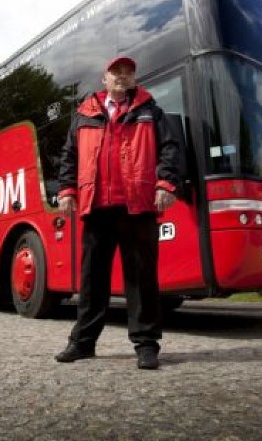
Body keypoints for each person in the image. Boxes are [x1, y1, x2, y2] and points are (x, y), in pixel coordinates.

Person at [54, 55, 181, 370]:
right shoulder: (84, 114)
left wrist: (165, 184)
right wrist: (67, 190)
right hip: (96, 206)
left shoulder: (151, 111)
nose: (122, 76)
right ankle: (82, 343)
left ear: (134, 79)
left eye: (128, 72)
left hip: (137, 206)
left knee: (141, 279)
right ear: (104, 78)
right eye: (116, 72)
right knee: (91, 278)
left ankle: (146, 345)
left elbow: (170, 148)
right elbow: (69, 155)